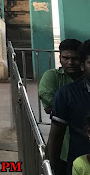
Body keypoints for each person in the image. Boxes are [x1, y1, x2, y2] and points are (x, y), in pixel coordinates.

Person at [40, 39, 83, 175]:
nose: (70, 62)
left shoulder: (86, 81)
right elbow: (49, 108)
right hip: (62, 149)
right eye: (66, 58)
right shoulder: (52, 77)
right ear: (60, 57)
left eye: (75, 58)